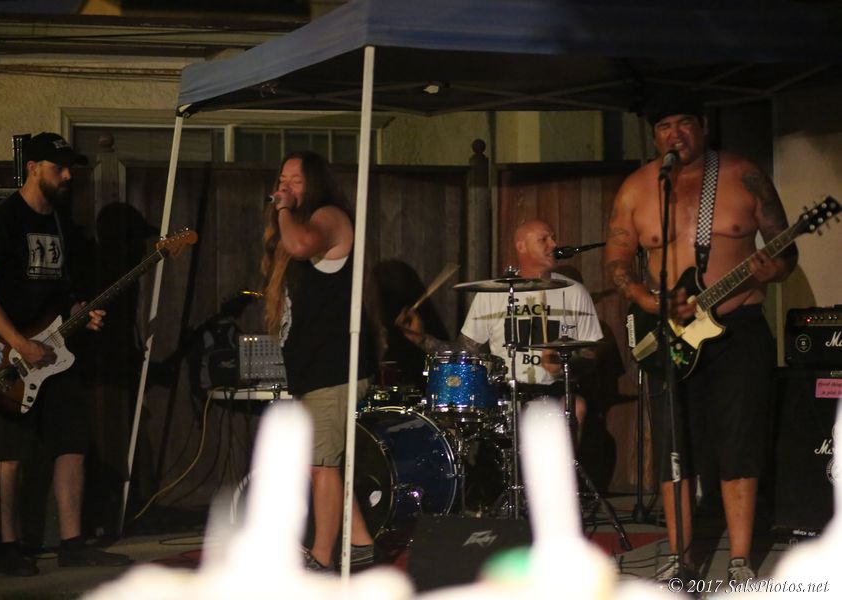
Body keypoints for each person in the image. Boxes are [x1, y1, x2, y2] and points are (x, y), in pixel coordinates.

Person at [603, 90, 797, 584]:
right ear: (654, 136)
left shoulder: (743, 174)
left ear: (703, 126)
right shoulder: (637, 188)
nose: (675, 134)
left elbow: (785, 252)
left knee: (740, 441)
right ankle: (680, 554)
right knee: (674, 444)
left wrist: (774, 269)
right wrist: (644, 298)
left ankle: (740, 559)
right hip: (670, 333)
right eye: (664, 126)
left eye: (684, 123)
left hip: (738, 327)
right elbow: (617, 259)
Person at [0, 132, 131, 576]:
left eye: (69, 168)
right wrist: (21, 343)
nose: (66, 176)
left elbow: (62, 295)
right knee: (10, 454)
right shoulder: (3, 220)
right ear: (33, 167)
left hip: (57, 353)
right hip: (8, 356)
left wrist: (80, 314)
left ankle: (72, 543)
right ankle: (8, 547)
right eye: (58, 168)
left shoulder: (61, 224)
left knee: (72, 444)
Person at [261, 150, 377, 572]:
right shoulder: (303, 222)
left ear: (315, 183)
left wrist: (283, 209)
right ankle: (361, 542)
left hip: (335, 365)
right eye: (282, 179)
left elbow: (298, 244)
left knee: (321, 464)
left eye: (296, 180)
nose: (285, 187)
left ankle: (322, 557)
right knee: (322, 463)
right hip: (314, 367)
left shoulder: (329, 216)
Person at [396, 218, 603, 439]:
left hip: (554, 394)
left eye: (553, 238)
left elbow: (592, 356)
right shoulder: (492, 294)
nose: (553, 245)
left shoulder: (574, 292)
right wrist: (421, 339)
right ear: (521, 246)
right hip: (503, 396)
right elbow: (465, 352)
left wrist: (563, 366)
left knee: (577, 406)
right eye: (544, 239)